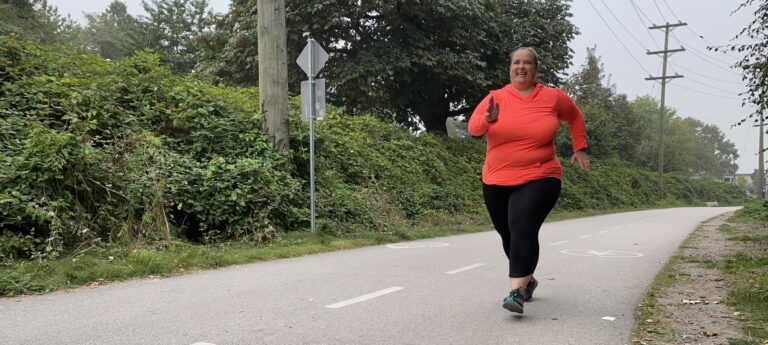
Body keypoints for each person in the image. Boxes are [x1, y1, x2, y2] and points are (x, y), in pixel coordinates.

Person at [467, 47, 591, 314]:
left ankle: (516, 291)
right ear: (509, 68)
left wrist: (579, 147)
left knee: (521, 223)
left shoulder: (552, 97)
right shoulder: (495, 98)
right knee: (508, 235)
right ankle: (529, 279)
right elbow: (473, 130)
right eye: (516, 62)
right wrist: (487, 120)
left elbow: (575, 117)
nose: (521, 67)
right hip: (496, 178)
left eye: (527, 63)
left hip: (541, 174)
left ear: (536, 69)